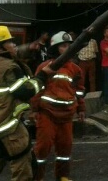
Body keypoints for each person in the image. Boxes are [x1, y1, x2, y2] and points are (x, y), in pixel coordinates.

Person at [0, 25, 53, 181]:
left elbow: (16, 53)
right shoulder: (9, 67)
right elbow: (25, 91)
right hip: (9, 130)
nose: (14, 45)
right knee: (22, 170)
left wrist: (31, 47)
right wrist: (43, 76)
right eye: (10, 42)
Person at [31, 31, 85, 181]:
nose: (67, 49)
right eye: (63, 46)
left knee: (65, 149)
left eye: (69, 46)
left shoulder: (75, 69)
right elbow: (37, 88)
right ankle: (37, 178)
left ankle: (63, 177)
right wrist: (34, 110)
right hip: (47, 114)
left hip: (67, 116)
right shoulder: (45, 66)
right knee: (42, 149)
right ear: (55, 48)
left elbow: (79, 92)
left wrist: (81, 109)